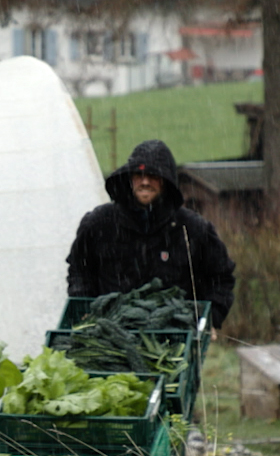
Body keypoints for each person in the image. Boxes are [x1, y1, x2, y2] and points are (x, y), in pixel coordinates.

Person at [66, 139, 235, 331]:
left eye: (153, 175)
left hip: (175, 335)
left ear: (166, 182)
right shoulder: (98, 224)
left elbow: (220, 277)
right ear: (129, 178)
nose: (145, 181)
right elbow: (80, 270)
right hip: (110, 335)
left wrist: (210, 318)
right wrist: (84, 308)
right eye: (138, 174)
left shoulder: (192, 229)